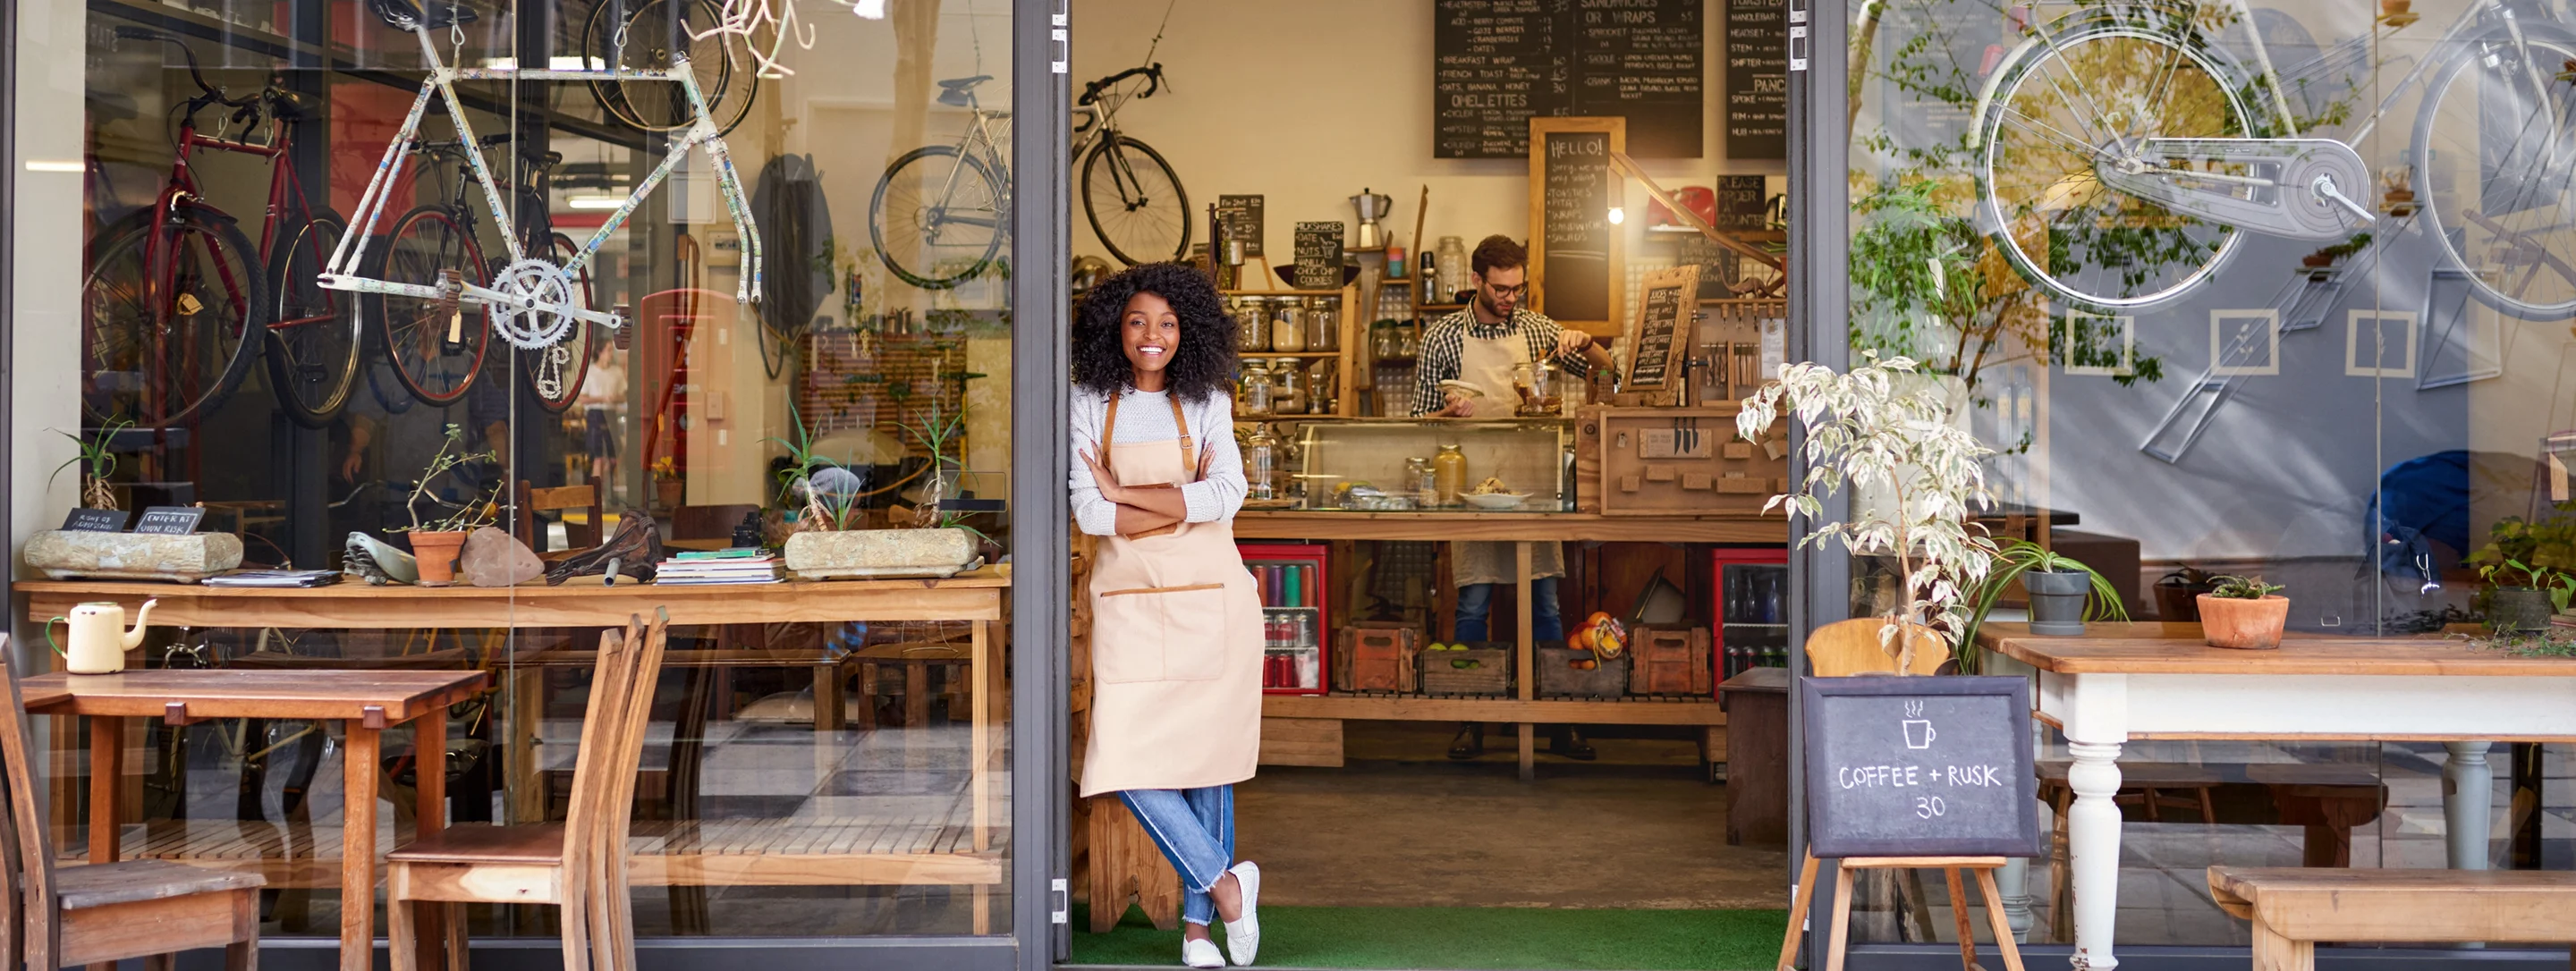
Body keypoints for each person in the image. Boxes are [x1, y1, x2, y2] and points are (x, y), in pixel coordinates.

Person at [1070, 263, 1267, 969]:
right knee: (1122, 756)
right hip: (1130, 605)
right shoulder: (1088, 398)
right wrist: (1177, 495)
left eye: (1167, 324)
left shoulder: (1209, 397)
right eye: (1137, 322)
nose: (1152, 336)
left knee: (1206, 759)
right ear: (1114, 330)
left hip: (1210, 601)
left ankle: (1196, 933)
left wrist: (1126, 489)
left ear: (1188, 332)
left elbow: (1230, 495)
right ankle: (1226, 887)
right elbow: (1090, 512)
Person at [1410, 234, 1615, 761]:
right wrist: (1444, 416)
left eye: (1518, 288)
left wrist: (1582, 339)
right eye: (1501, 289)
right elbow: (1414, 422)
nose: (1510, 298)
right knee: (1474, 603)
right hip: (1470, 486)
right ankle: (1473, 718)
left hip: (1533, 485)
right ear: (1477, 281)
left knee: (1544, 603)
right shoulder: (1443, 338)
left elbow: (1607, 368)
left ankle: (1556, 722)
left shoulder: (1536, 328)